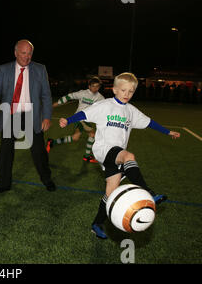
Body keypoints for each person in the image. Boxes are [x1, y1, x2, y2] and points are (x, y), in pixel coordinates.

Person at [59, 72, 180, 239]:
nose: (126, 94)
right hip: (104, 149)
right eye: (123, 90)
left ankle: (97, 224)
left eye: (131, 92)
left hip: (114, 156)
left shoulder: (131, 111)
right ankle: (149, 192)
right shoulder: (105, 105)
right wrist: (68, 120)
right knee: (128, 156)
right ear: (115, 89)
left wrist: (167, 132)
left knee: (110, 193)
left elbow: (149, 122)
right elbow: (85, 114)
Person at [0, 39, 55, 193]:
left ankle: (47, 179)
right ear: (16, 53)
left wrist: (46, 117)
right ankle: (4, 184)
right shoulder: (4, 70)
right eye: (23, 53)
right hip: (11, 114)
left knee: (39, 151)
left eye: (29, 53)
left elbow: (46, 95)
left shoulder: (40, 69)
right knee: (6, 151)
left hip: (33, 115)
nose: (26, 57)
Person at [46, 76, 105, 163]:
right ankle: (87, 156)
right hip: (79, 118)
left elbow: (105, 108)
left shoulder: (100, 98)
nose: (95, 88)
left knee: (75, 137)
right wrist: (54, 105)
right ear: (89, 86)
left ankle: (52, 142)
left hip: (87, 119)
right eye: (93, 86)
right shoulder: (83, 93)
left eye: (97, 86)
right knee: (92, 134)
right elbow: (69, 96)